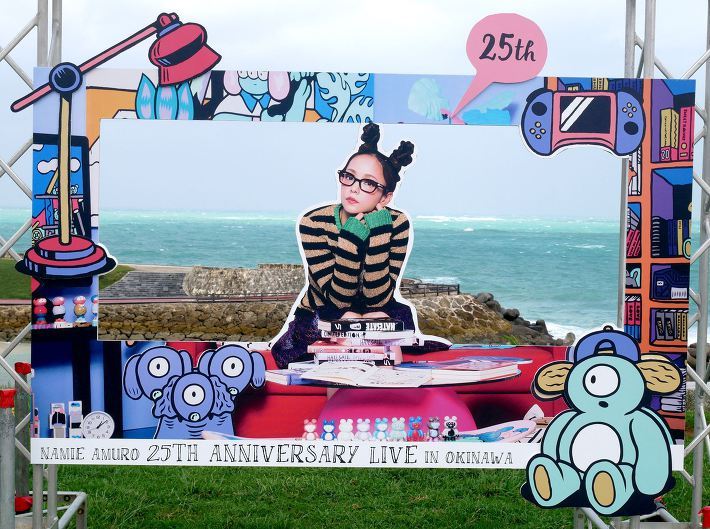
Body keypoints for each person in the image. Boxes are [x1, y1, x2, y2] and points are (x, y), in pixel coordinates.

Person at [271, 122, 424, 368]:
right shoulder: (314, 223)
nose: (354, 187)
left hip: (377, 310)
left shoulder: (397, 223)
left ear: (386, 197)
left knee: (381, 317)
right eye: (349, 176)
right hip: (324, 311)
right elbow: (339, 300)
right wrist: (350, 240)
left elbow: (378, 299)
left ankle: (381, 378)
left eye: (369, 183)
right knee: (348, 318)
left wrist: (379, 234)